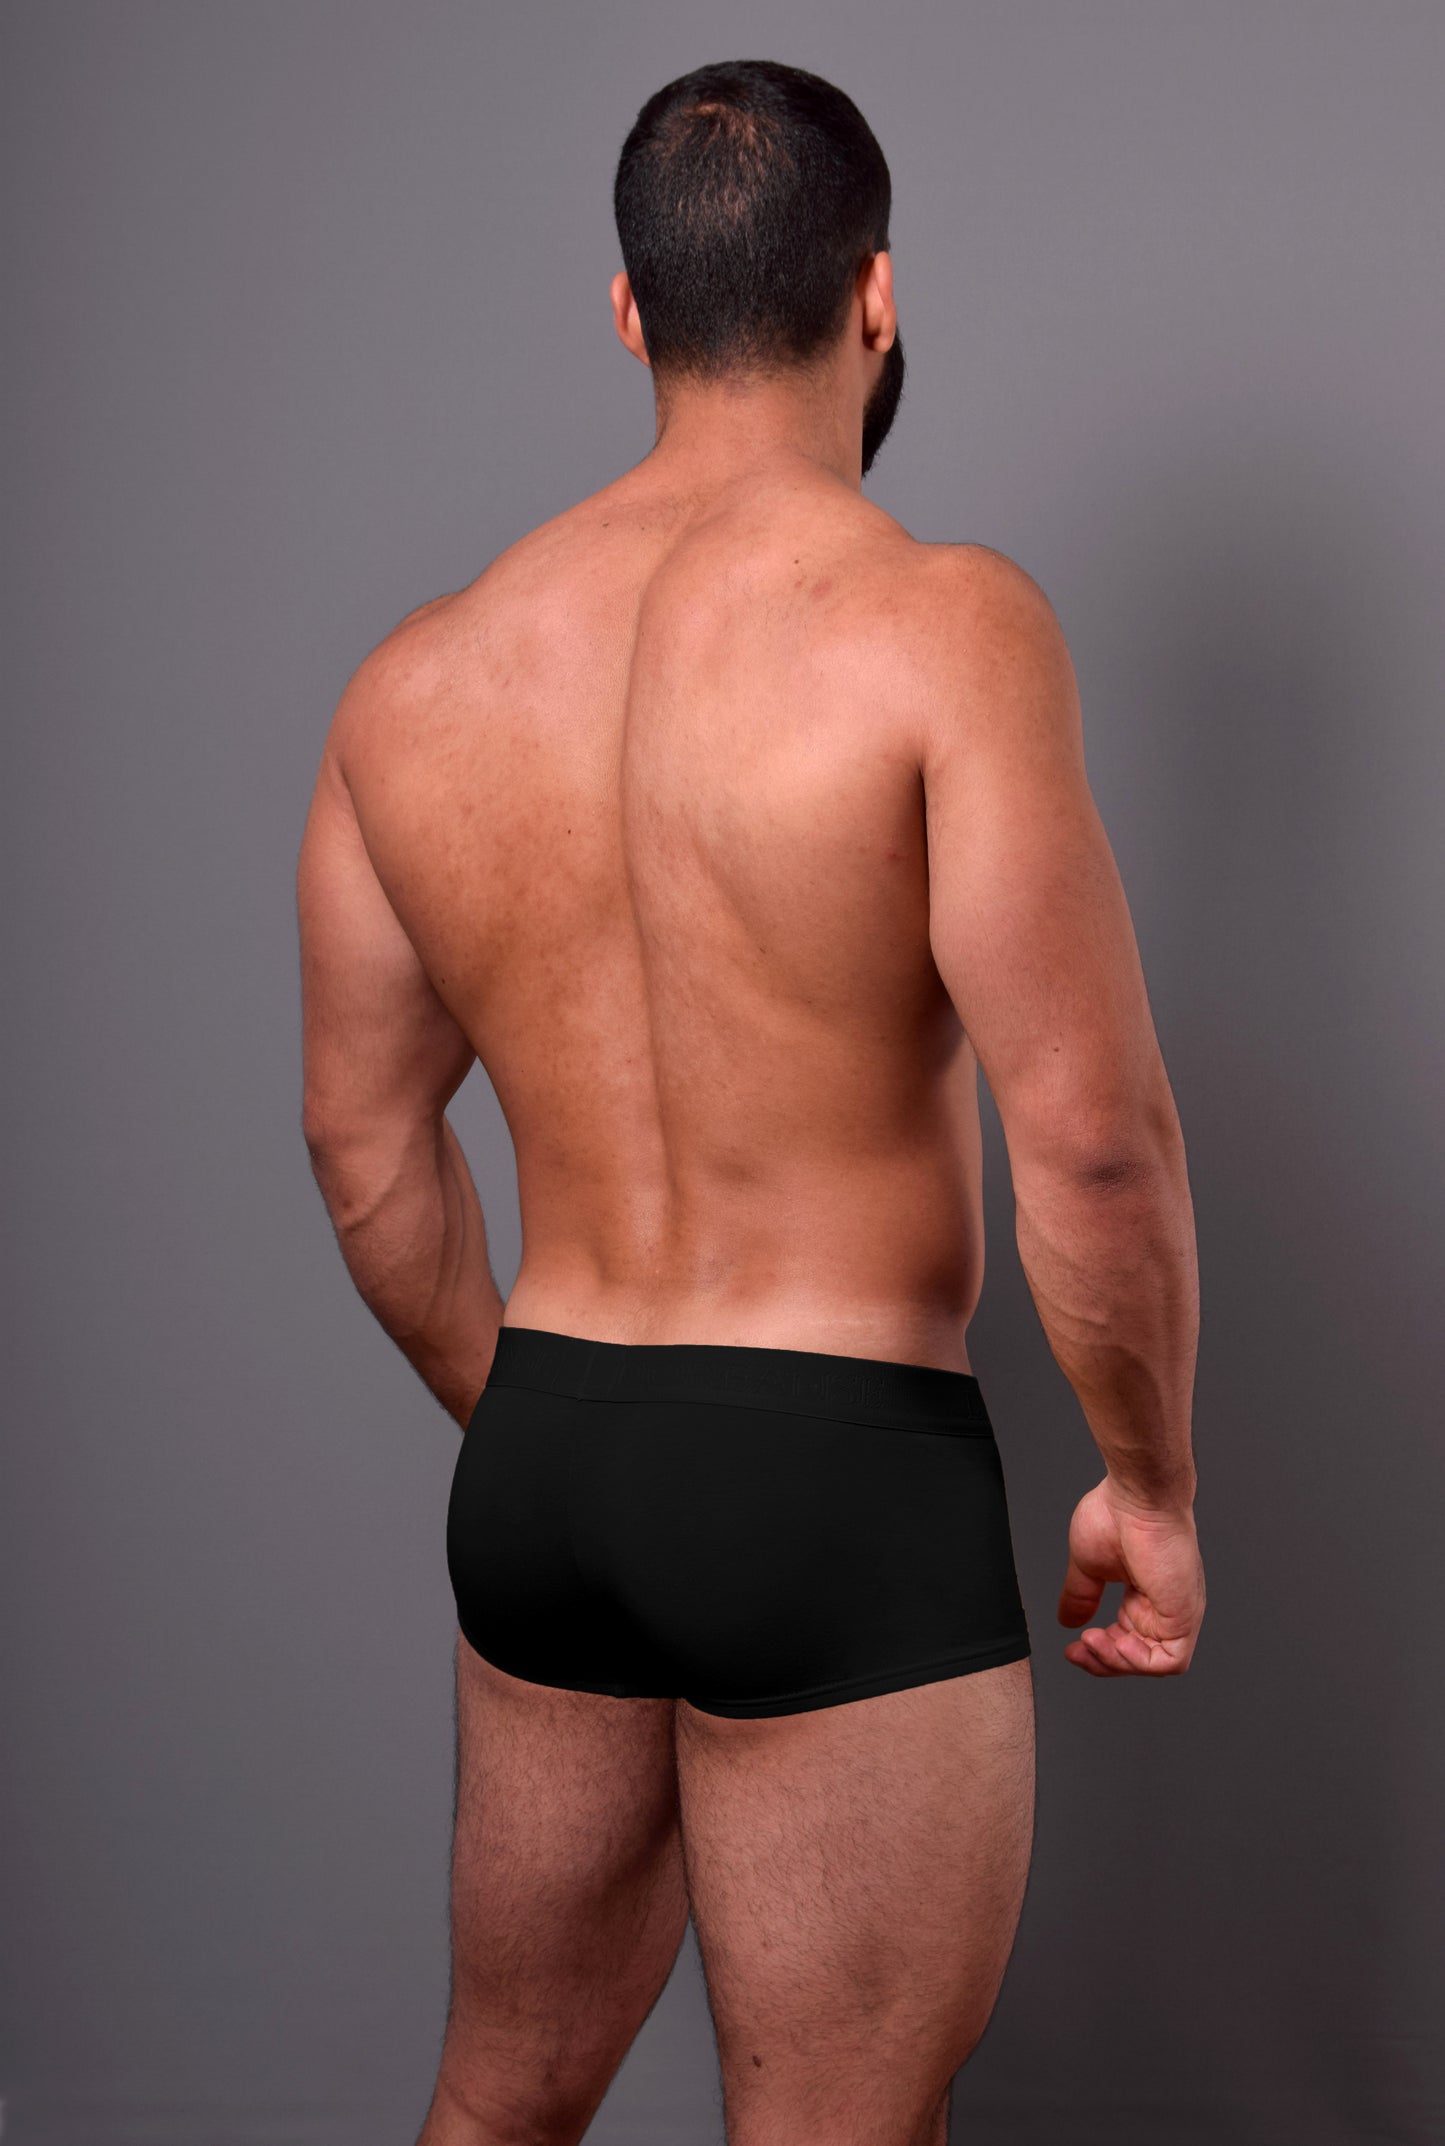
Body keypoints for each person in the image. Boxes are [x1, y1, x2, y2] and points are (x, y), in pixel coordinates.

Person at [297, 56, 1204, 2146]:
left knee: (498, 2102)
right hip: (833, 1466)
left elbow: (363, 1149)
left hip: (551, 1454)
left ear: (632, 310)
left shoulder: (413, 684)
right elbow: (1089, 1141)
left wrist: (560, 1419)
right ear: (875, 294)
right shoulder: (942, 628)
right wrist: (1147, 1483)